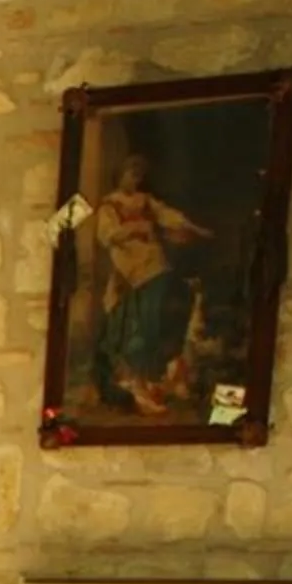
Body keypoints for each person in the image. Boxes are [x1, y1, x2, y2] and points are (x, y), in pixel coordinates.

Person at [87, 153, 212, 415]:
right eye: (131, 174)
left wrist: (194, 228)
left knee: (154, 321)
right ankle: (130, 377)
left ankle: (151, 376)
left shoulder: (145, 201)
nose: (135, 180)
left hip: (154, 266)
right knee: (132, 322)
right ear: (120, 174)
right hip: (130, 270)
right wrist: (135, 229)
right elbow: (107, 235)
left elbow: (168, 216)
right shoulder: (110, 205)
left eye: (139, 176)